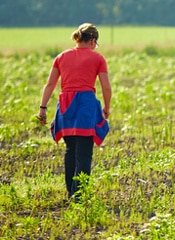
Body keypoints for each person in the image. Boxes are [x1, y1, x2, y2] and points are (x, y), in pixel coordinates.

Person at [37, 23, 111, 200]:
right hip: (85, 106)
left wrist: (42, 108)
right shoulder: (97, 58)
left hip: (65, 106)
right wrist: (107, 108)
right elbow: (106, 87)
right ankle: (79, 195)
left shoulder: (61, 57)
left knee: (71, 149)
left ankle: (71, 191)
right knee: (84, 153)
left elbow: (50, 85)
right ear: (92, 41)